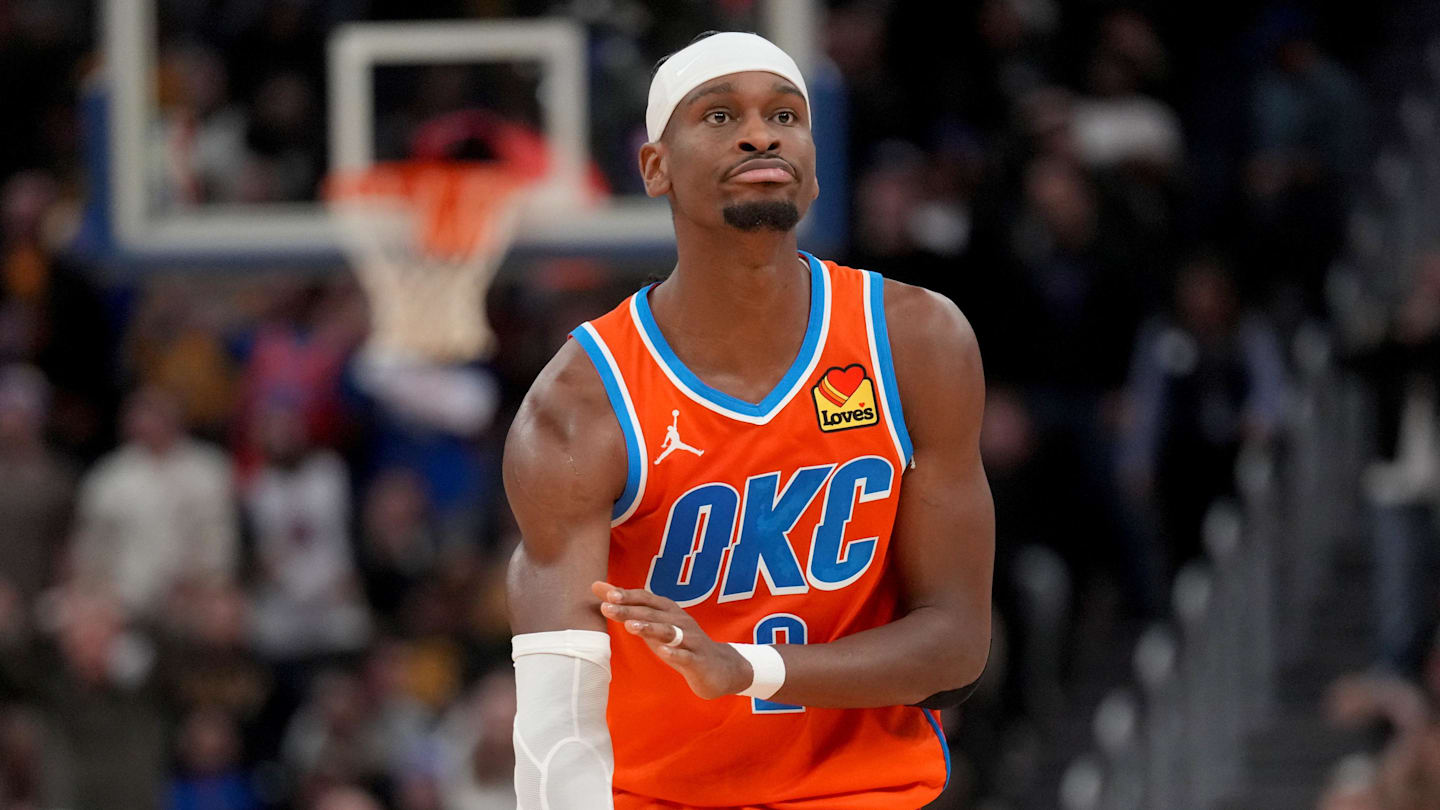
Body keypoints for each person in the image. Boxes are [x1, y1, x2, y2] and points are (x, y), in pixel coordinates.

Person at [503, 32, 994, 808]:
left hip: (864, 791)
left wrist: (748, 667)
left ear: (814, 161)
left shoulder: (915, 341)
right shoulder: (581, 405)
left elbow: (958, 648)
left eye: (785, 115)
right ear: (655, 167)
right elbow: (557, 726)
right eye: (720, 114)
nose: (760, 132)